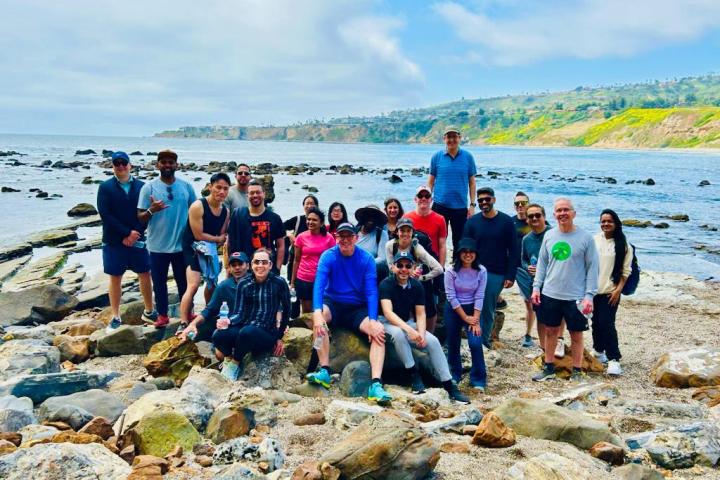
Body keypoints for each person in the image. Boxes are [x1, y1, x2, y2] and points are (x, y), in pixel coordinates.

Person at [306, 223, 393, 404]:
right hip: (333, 303)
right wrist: (316, 312)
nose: (345, 240)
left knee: (378, 333)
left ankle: (375, 384)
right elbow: (319, 286)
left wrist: (373, 319)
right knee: (319, 322)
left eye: (349, 236)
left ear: (355, 238)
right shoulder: (328, 256)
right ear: (337, 238)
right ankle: (324, 371)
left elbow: (371, 291)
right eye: (341, 236)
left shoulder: (366, 259)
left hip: (356, 308)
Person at [380, 250, 469, 403]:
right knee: (400, 334)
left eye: (408, 266)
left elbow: (420, 314)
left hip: (407, 322)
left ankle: (448, 383)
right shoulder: (386, 284)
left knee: (432, 340)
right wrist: (410, 330)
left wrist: (421, 333)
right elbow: (388, 313)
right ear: (393, 267)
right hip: (386, 323)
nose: (404, 269)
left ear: (413, 267)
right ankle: (413, 374)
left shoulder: (416, 286)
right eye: (400, 265)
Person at [531, 198, 599, 382]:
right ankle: (549, 367)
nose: (562, 214)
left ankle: (577, 371)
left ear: (573, 213)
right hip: (551, 293)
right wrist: (537, 287)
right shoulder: (549, 235)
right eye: (559, 211)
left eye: (566, 210)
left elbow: (593, 268)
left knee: (576, 334)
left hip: (575, 296)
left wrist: (589, 296)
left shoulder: (585, 238)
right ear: (554, 215)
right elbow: (542, 264)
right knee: (551, 331)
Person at [200, 248, 290, 381]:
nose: (260, 266)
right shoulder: (244, 283)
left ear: (270, 265)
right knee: (218, 335)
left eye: (264, 262)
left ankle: (235, 363)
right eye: (257, 262)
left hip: (266, 331)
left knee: (247, 332)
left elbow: (287, 310)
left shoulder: (279, 283)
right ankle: (229, 358)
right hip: (245, 327)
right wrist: (228, 322)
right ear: (252, 265)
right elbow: (239, 313)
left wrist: (280, 337)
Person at [138, 149, 197, 328]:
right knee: (160, 283)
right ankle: (162, 315)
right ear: (157, 165)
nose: (167, 165)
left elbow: (196, 211)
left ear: (176, 165)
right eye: (163, 162)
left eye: (171, 162)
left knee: (184, 283)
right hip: (157, 246)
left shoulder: (186, 187)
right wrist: (152, 210)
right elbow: (140, 217)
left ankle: (188, 312)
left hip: (181, 246)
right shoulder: (148, 188)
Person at [97, 151, 156, 331]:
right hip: (114, 240)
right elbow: (105, 215)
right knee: (115, 278)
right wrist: (126, 234)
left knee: (145, 273)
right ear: (112, 166)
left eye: (124, 163)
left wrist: (136, 233)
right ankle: (115, 316)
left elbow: (147, 213)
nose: (121, 166)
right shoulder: (105, 187)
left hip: (138, 239)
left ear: (130, 165)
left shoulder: (142, 187)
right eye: (117, 164)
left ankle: (149, 310)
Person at [462, 187, 518, 347]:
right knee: (470, 306)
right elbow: (464, 246)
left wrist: (510, 275)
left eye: (487, 199)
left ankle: (483, 341)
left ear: (493, 199)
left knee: (487, 308)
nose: (484, 202)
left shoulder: (506, 222)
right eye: (480, 200)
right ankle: (472, 337)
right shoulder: (472, 222)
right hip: (473, 271)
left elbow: (514, 250)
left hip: (496, 273)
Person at [179, 173, 230, 326]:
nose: (221, 192)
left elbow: (222, 234)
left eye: (225, 189)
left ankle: (209, 314)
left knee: (212, 284)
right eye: (218, 187)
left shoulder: (225, 211)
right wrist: (218, 239)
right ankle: (183, 321)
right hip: (192, 248)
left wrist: (219, 240)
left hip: (210, 249)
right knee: (193, 285)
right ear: (210, 187)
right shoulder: (198, 206)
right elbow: (198, 234)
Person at [520, 204, 566, 355]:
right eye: (531, 216)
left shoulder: (555, 234)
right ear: (527, 219)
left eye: (537, 215)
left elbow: (564, 257)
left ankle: (559, 342)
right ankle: (543, 348)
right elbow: (524, 260)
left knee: (558, 315)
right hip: (536, 285)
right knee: (540, 316)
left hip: (556, 282)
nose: (534, 218)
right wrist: (528, 267)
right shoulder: (526, 239)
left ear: (544, 217)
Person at [593, 209, 633, 376]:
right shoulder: (594, 240)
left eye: (609, 221)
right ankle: (598, 351)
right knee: (595, 323)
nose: (606, 224)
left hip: (611, 291)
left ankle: (614, 359)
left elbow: (626, 271)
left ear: (616, 223)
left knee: (607, 324)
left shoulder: (624, 245)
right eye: (603, 221)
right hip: (593, 291)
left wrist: (618, 290)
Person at [444, 238, 487, 391]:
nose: (468, 255)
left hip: (473, 309)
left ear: (475, 254)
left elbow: (480, 295)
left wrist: (474, 319)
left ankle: (478, 379)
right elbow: (451, 296)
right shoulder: (450, 271)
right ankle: (455, 373)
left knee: (475, 343)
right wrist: (465, 317)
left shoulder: (481, 270)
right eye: (464, 252)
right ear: (459, 253)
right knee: (453, 342)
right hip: (454, 309)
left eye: (471, 252)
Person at [385, 217, 443, 332]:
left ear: (412, 232)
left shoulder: (417, 248)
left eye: (408, 231)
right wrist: (401, 271)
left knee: (429, 308)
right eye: (402, 230)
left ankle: (429, 334)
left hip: (416, 279)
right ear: (397, 232)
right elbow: (390, 266)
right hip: (399, 279)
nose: (405, 234)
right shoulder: (390, 246)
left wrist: (422, 277)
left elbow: (439, 269)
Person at [178, 251, 249, 344]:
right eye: (234, 265)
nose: (237, 268)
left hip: (249, 326)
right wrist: (192, 324)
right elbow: (209, 310)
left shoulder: (255, 283)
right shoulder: (224, 286)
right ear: (229, 269)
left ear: (248, 266)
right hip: (229, 325)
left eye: (240, 264)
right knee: (197, 331)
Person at [428, 126, 477, 252]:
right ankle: (437, 267)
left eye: (454, 136)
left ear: (459, 138)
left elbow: (472, 183)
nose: (451, 140)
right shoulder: (436, 157)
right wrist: (427, 201)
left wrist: (472, 205)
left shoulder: (468, 157)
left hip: (460, 207)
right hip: (440, 206)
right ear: (444, 139)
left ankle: (456, 268)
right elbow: (431, 181)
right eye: (449, 137)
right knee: (437, 239)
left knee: (459, 241)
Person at [226, 179, 285, 271]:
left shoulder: (274, 218)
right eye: (252, 193)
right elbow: (229, 243)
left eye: (258, 192)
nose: (255, 195)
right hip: (242, 268)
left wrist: (277, 268)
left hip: (266, 268)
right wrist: (228, 267)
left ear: (264, 194)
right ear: (247, 195)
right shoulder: (237, 214)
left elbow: (280, 245)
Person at [290, 207, 335, 315]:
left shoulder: (329, 238)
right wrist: (292, 282)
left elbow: (334, 261)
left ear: (321, 222)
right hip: (304, 279)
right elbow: (296, 260)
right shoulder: (301, 237)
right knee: (306, 312)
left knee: (320, 310)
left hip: (322, 280)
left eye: (314, 220)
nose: (310, 222)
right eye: (308, 219)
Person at [403, 185, 447, 266]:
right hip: (412, 261)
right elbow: (402, 242)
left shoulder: (440, 219)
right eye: (420, 196)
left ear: (431, 200)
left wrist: (442, 267)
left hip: (433, 261)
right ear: (415, 199)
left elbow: (442, 246)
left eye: (427, 196)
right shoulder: (406, 218)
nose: (423, 199)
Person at [512, 192, 533, 346]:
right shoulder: (509, 222)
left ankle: (528, 334)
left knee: (530, 302)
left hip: (529, 268)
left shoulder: (535, 221)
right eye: (517, 204)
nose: (520, 206)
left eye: (523, 203)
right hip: (512, 266)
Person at [284, 194, 319, 279]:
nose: (309, 206)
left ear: (317, 206)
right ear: (303, 206)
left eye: (312, 203)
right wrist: (289, 234)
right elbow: (279, 227)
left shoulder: (320, 223)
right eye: (307, 203)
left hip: (312, 265)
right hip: (295, 261)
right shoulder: (298, 220)